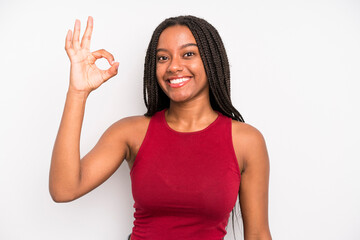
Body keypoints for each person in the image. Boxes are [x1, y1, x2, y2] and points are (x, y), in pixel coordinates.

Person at [49, 15, 272, 240]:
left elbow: (258, 234)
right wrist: (78, 93)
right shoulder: (130, 133)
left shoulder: (246, 141)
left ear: (211, 60)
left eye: (188, 54)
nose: (174, 66)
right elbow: (64, 189)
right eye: (163, 57)